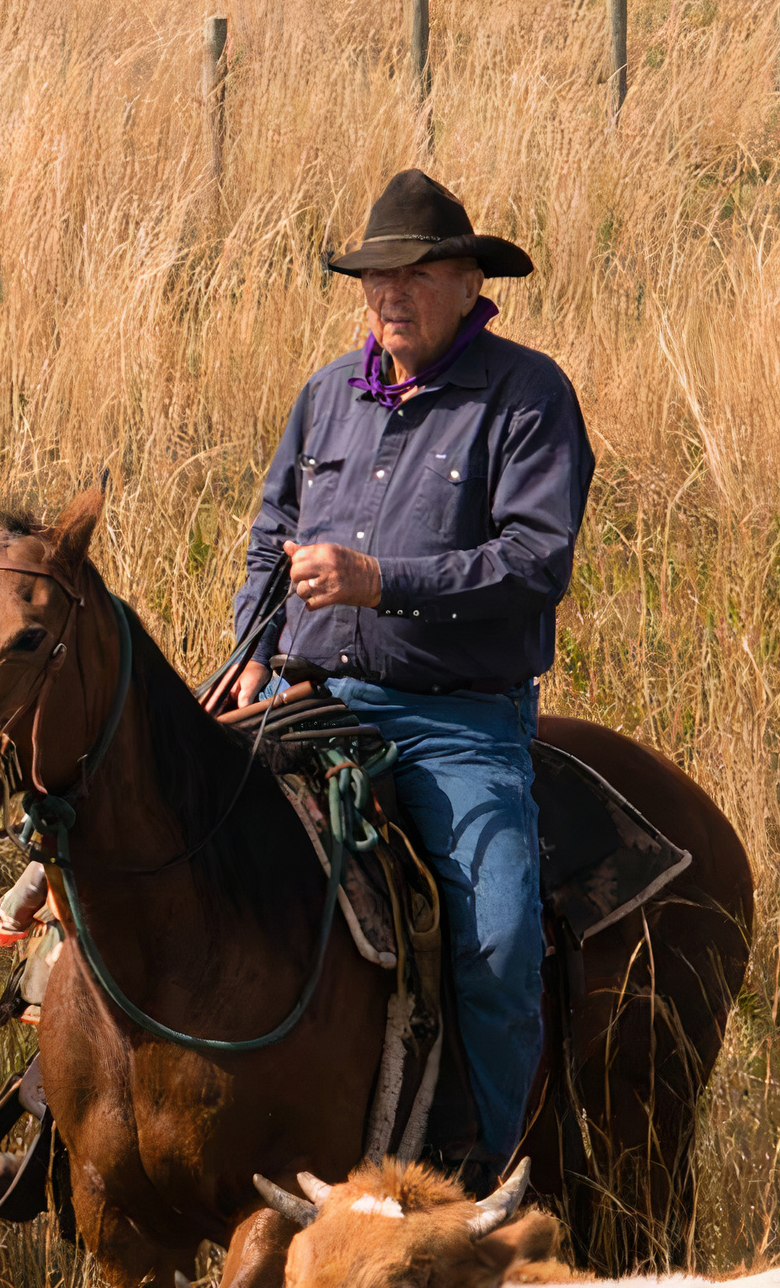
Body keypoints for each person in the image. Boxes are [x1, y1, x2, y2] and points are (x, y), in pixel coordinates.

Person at [212, 169, 589, 1185]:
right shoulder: (327, 393)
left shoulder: (527, 395)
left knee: (503, 943)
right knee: (157, 840)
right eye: (376, 278)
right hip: (305, 695)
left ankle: (479, 1178)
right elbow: (271, 536)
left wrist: (382, 582)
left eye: (417, 275)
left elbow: (535, 559)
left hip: (455, 722)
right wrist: (244, 656)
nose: (391, 296)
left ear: (470, 284)